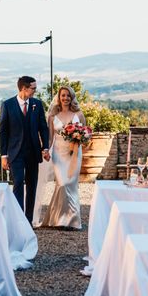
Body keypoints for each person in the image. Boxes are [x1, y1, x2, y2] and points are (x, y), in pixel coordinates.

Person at [0, 76, 50, 223]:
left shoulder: (37, 104)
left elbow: (43, 128)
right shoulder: (7, 105)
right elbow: (3, 131)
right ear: (23, 88)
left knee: (32, 185)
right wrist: (4, 155)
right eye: (33, 88)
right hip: (15, 153)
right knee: (18, 184)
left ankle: (28, 221)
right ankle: (18, 220)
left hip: (33, 153)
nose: (35, 91)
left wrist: (45, 147)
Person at [39, 85, 84, 230]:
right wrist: (46, 150)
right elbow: (51, 137)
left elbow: (85, 134)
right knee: (62, 184)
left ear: (72, 98)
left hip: (74, 153)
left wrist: (80, 139)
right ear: (59, 97)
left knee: (71, 184)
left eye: (68, 95)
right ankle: (59, 218)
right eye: (63, 95)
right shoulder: (52, 116)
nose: (65, 98)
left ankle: (72, 220)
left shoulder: (79, 114)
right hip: (58, 153)